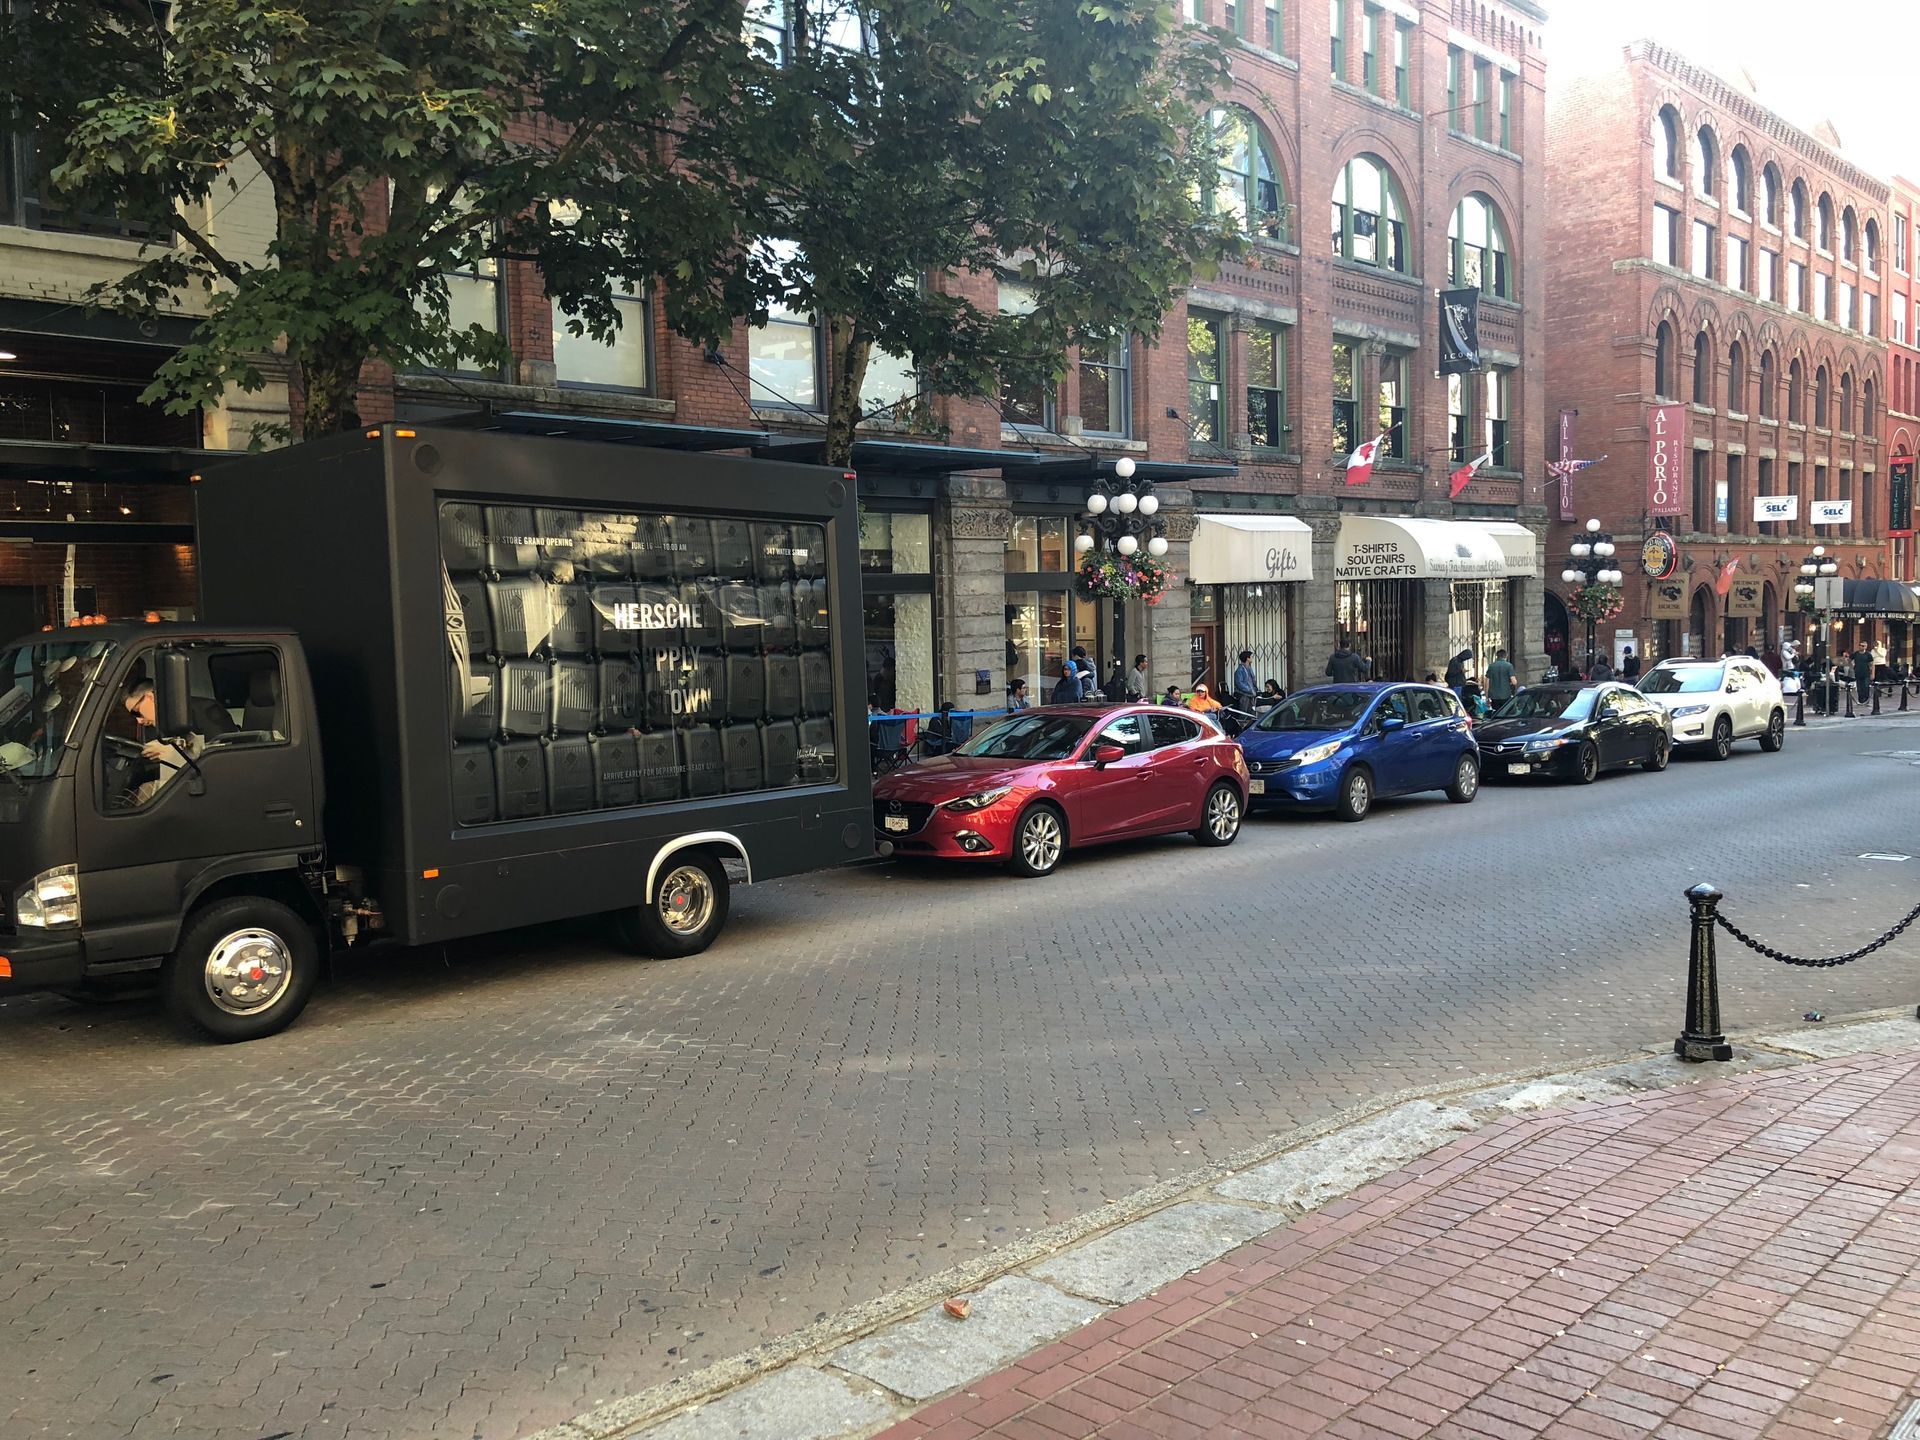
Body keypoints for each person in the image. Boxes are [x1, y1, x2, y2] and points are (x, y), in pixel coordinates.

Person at [120, 678, 222, 807]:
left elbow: (224, 756)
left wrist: (177, 753)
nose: (139, 721)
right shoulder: (152, 729)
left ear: (150, 697)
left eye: (137, 712)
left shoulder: (205, 710)